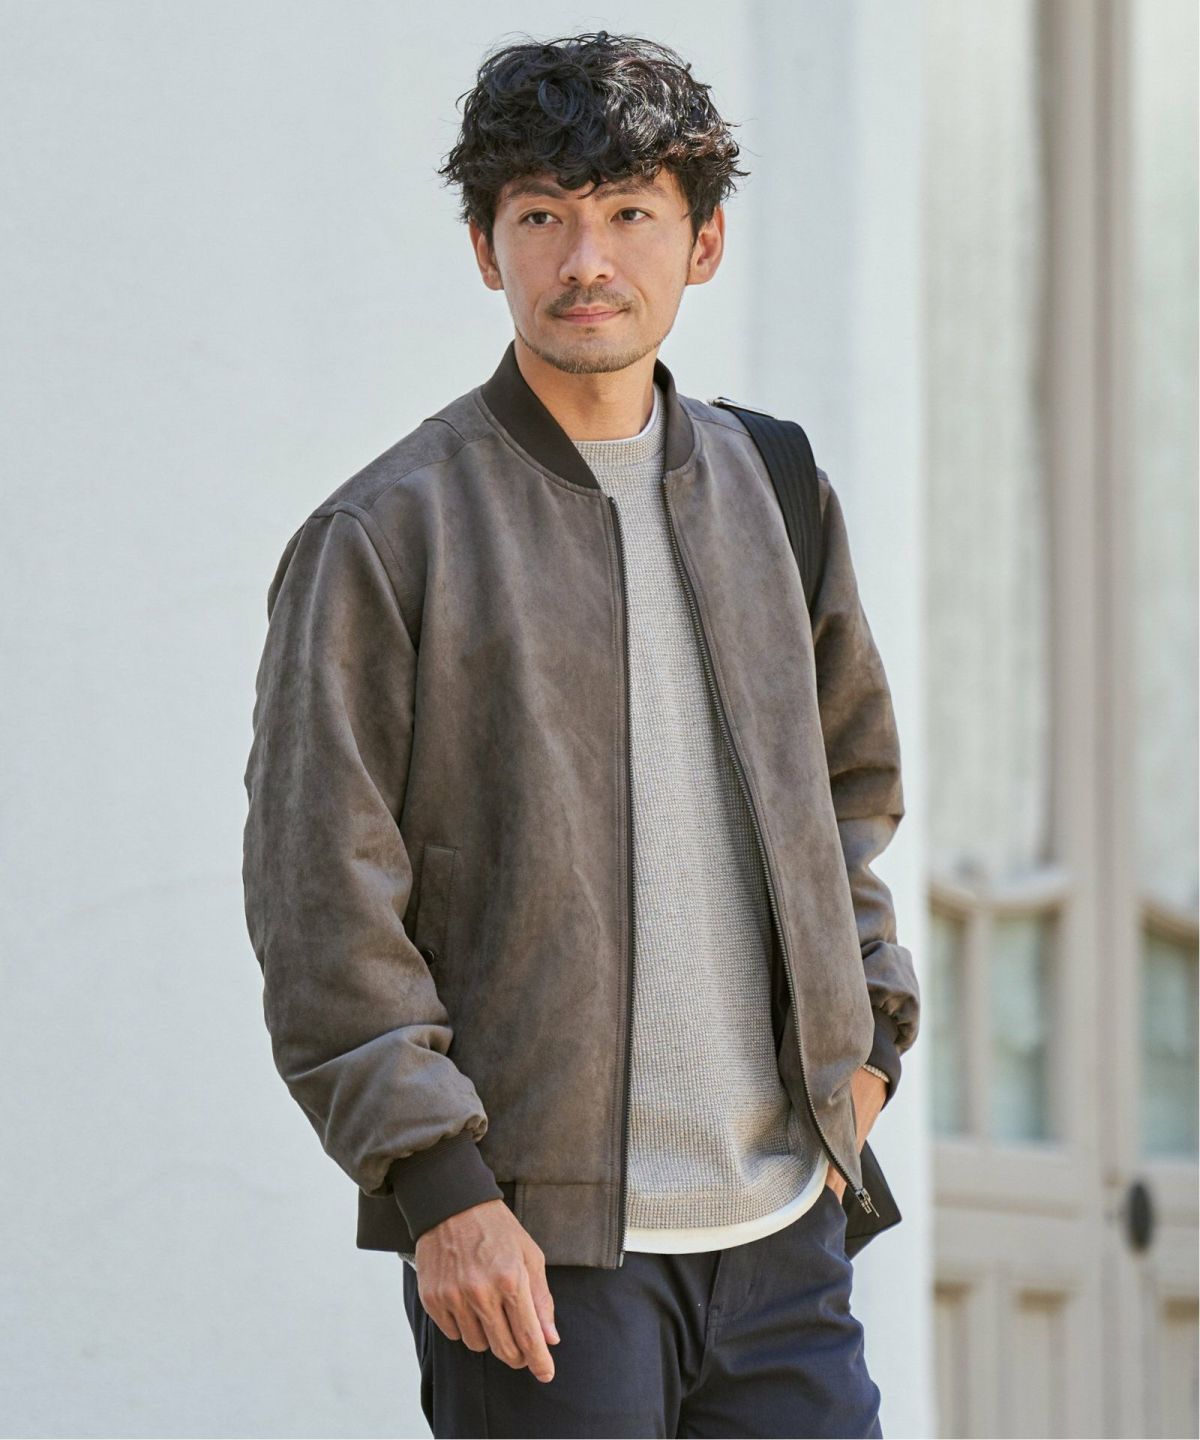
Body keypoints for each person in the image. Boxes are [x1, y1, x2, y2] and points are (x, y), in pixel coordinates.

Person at [241, 28, 919, 1440]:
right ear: (486, 249)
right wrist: (441, 1191)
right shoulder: (388, 535)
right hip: (536, 1259)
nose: (586, 261)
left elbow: (849, 792)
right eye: (542, 217)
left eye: (629, 215)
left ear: (704, 241)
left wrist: (870, 1044)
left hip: (786, 1239)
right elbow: (322, 900)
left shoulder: (780, 488)